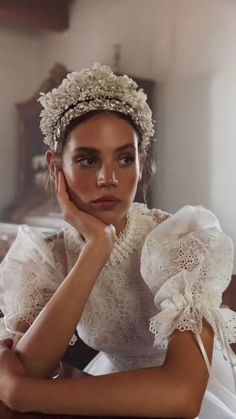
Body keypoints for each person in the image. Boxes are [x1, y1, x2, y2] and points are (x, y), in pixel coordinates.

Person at [0, 63, 235, 418]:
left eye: (124, 159)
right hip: (108, 391)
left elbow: (184, 396)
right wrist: (96, 247)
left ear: (141, 163)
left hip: (193, 399)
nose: (108, 178)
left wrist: (23, 394)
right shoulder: (45, 255)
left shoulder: (179, 240)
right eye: (87, 159)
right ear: (55, 166)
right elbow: (33, 368)